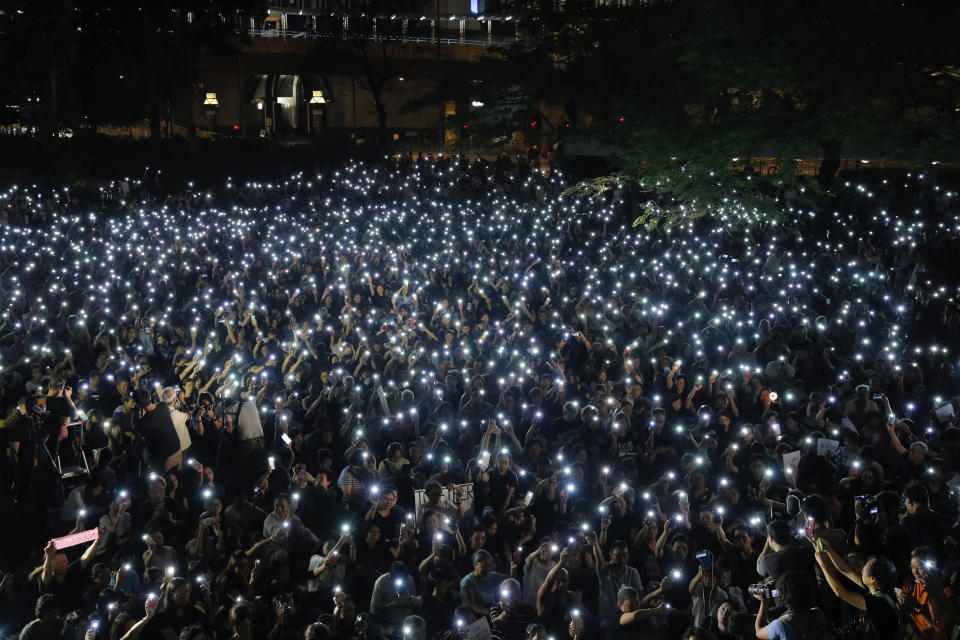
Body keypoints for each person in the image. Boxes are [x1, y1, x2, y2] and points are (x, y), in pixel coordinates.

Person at [753, 570, 827, 640]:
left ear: (783, 595)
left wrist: (764, 603)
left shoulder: (781, 624)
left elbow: (759, 631)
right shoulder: (818, 614)